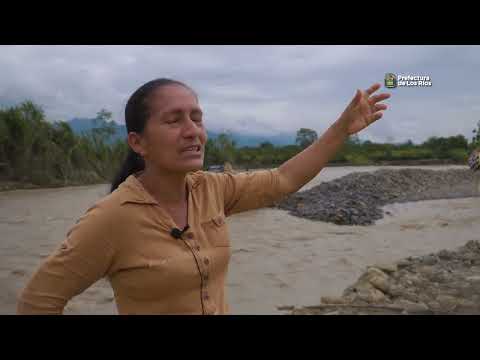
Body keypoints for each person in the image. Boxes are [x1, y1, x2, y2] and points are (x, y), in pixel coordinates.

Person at [17, 78, 391, 315]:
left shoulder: (212, 190)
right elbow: (38, 302)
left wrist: (342, 130)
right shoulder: (112, 218)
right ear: (138, 142)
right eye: (174, 120)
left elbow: (281, 180)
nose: (192, 130)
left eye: (197, 117)